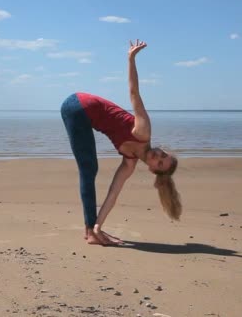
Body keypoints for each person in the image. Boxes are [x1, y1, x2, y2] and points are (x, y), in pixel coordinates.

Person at [60, 39, 182, 246]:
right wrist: (131, 58)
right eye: (163, 154)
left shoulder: (129, 163)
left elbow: (113, 194)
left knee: (89, 169)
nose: (158, 156)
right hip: (78, 104)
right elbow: (134, 92)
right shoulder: (143, 131)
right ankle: (90, 232)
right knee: (89, 169)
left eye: (160, 163)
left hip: (80, 114)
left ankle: (92, 230)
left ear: (153, 170)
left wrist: (100, 223)